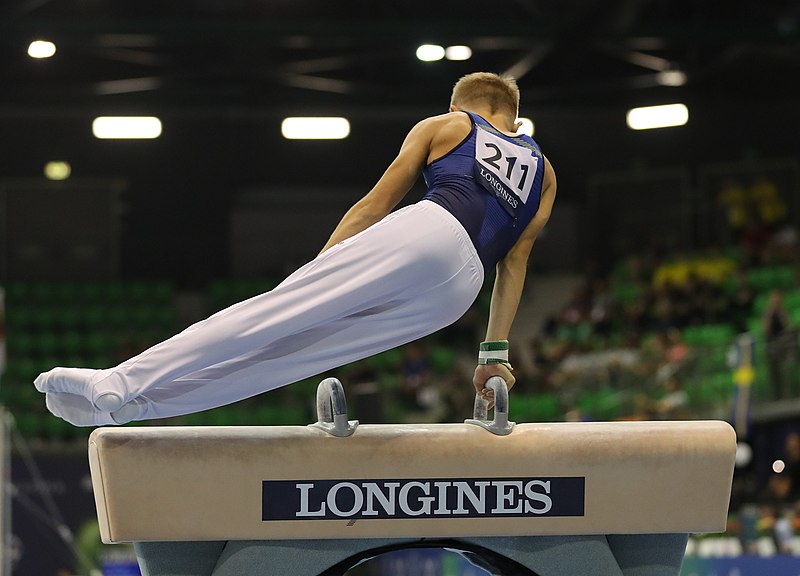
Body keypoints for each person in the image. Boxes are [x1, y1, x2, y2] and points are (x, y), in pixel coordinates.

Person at [34, 72, 557, 426]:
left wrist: (316, 273)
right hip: (458, 295)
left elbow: (374, 205)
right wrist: (492, 354)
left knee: (271, 317)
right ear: (514, 115)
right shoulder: (543, 173)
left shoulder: (451, 125)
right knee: (288, 360)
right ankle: (127, 408)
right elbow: (515, 265)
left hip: (430, 231)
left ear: (460, 106)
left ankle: (119, 381)